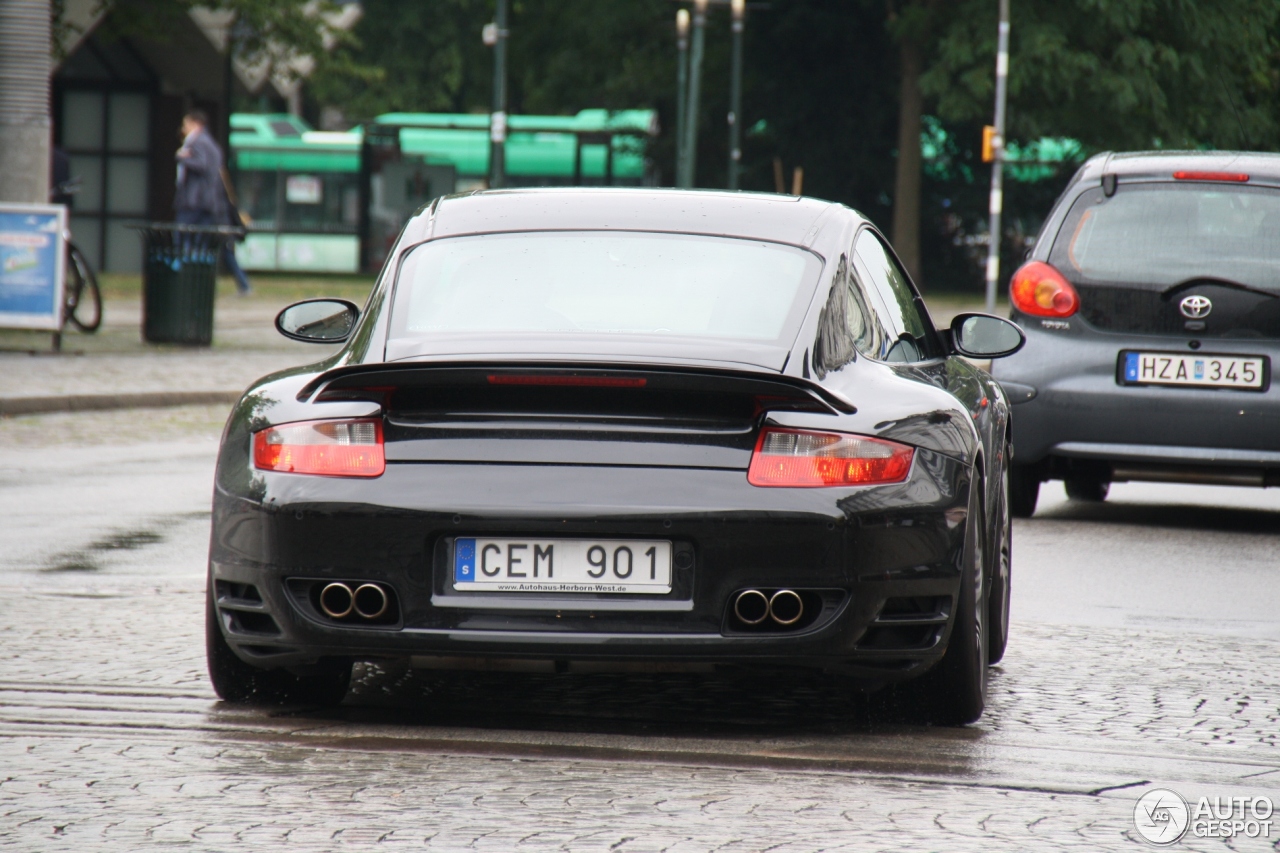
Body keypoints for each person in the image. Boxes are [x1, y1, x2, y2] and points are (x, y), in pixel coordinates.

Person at [175, 109, 251, 295]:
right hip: (212, 205)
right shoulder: (212, 144)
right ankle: (241, 284)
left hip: (196, 202)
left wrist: (183, 158)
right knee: (216, 245)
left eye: (186, 124)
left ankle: (183, 279)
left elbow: (202, 166)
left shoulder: (198, 142)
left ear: (195, 124)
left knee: (183, 238)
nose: (183, 129)